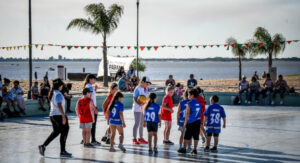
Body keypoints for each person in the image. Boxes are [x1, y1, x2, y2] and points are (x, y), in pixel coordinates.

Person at [38, 78, 72, 158]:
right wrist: (64, 116)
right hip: (59, 115)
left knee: (56, 132)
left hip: (52, 115)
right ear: (60, 86)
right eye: (62, 85)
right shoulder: (58, 94)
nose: (62, 86)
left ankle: (43, 146)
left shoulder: (53, 92)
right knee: (65, 130)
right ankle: (62, 151)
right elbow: (59, 105)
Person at [178, 88, 201, 154]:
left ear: (192, 95)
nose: (188, 96)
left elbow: (187, 113)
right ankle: (195, 149)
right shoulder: (198, 103)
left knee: (187, 135)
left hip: (191, 121)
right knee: (196, 136)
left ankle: (184, 148)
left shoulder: (189, 103)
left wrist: (185, 122)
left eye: (189, 95)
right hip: (197, 121)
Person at [132, 76, 151, 145]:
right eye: (146, 83)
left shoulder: (146, 89)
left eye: (148, 83)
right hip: (137, 109)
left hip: (143, 109)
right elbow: (134, 98)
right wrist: (139, 103)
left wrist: (146, 103)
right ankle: (134, 139)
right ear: (142, 82)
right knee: (137, 123)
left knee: (141, 124)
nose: (147, 84)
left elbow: (147, 98)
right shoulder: (138, 88)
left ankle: (141, 138)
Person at [83, 74, 100, 145]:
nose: (95, 80)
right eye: (94, 79)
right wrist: (94, 108)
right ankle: (92, 139)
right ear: (90, 79)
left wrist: (95, 90)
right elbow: (89, 98)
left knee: (89, 124)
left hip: (89, 107)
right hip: (91, 108)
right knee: (93, 124)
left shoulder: (89, 86)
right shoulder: (89, 86)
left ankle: (85, 139)